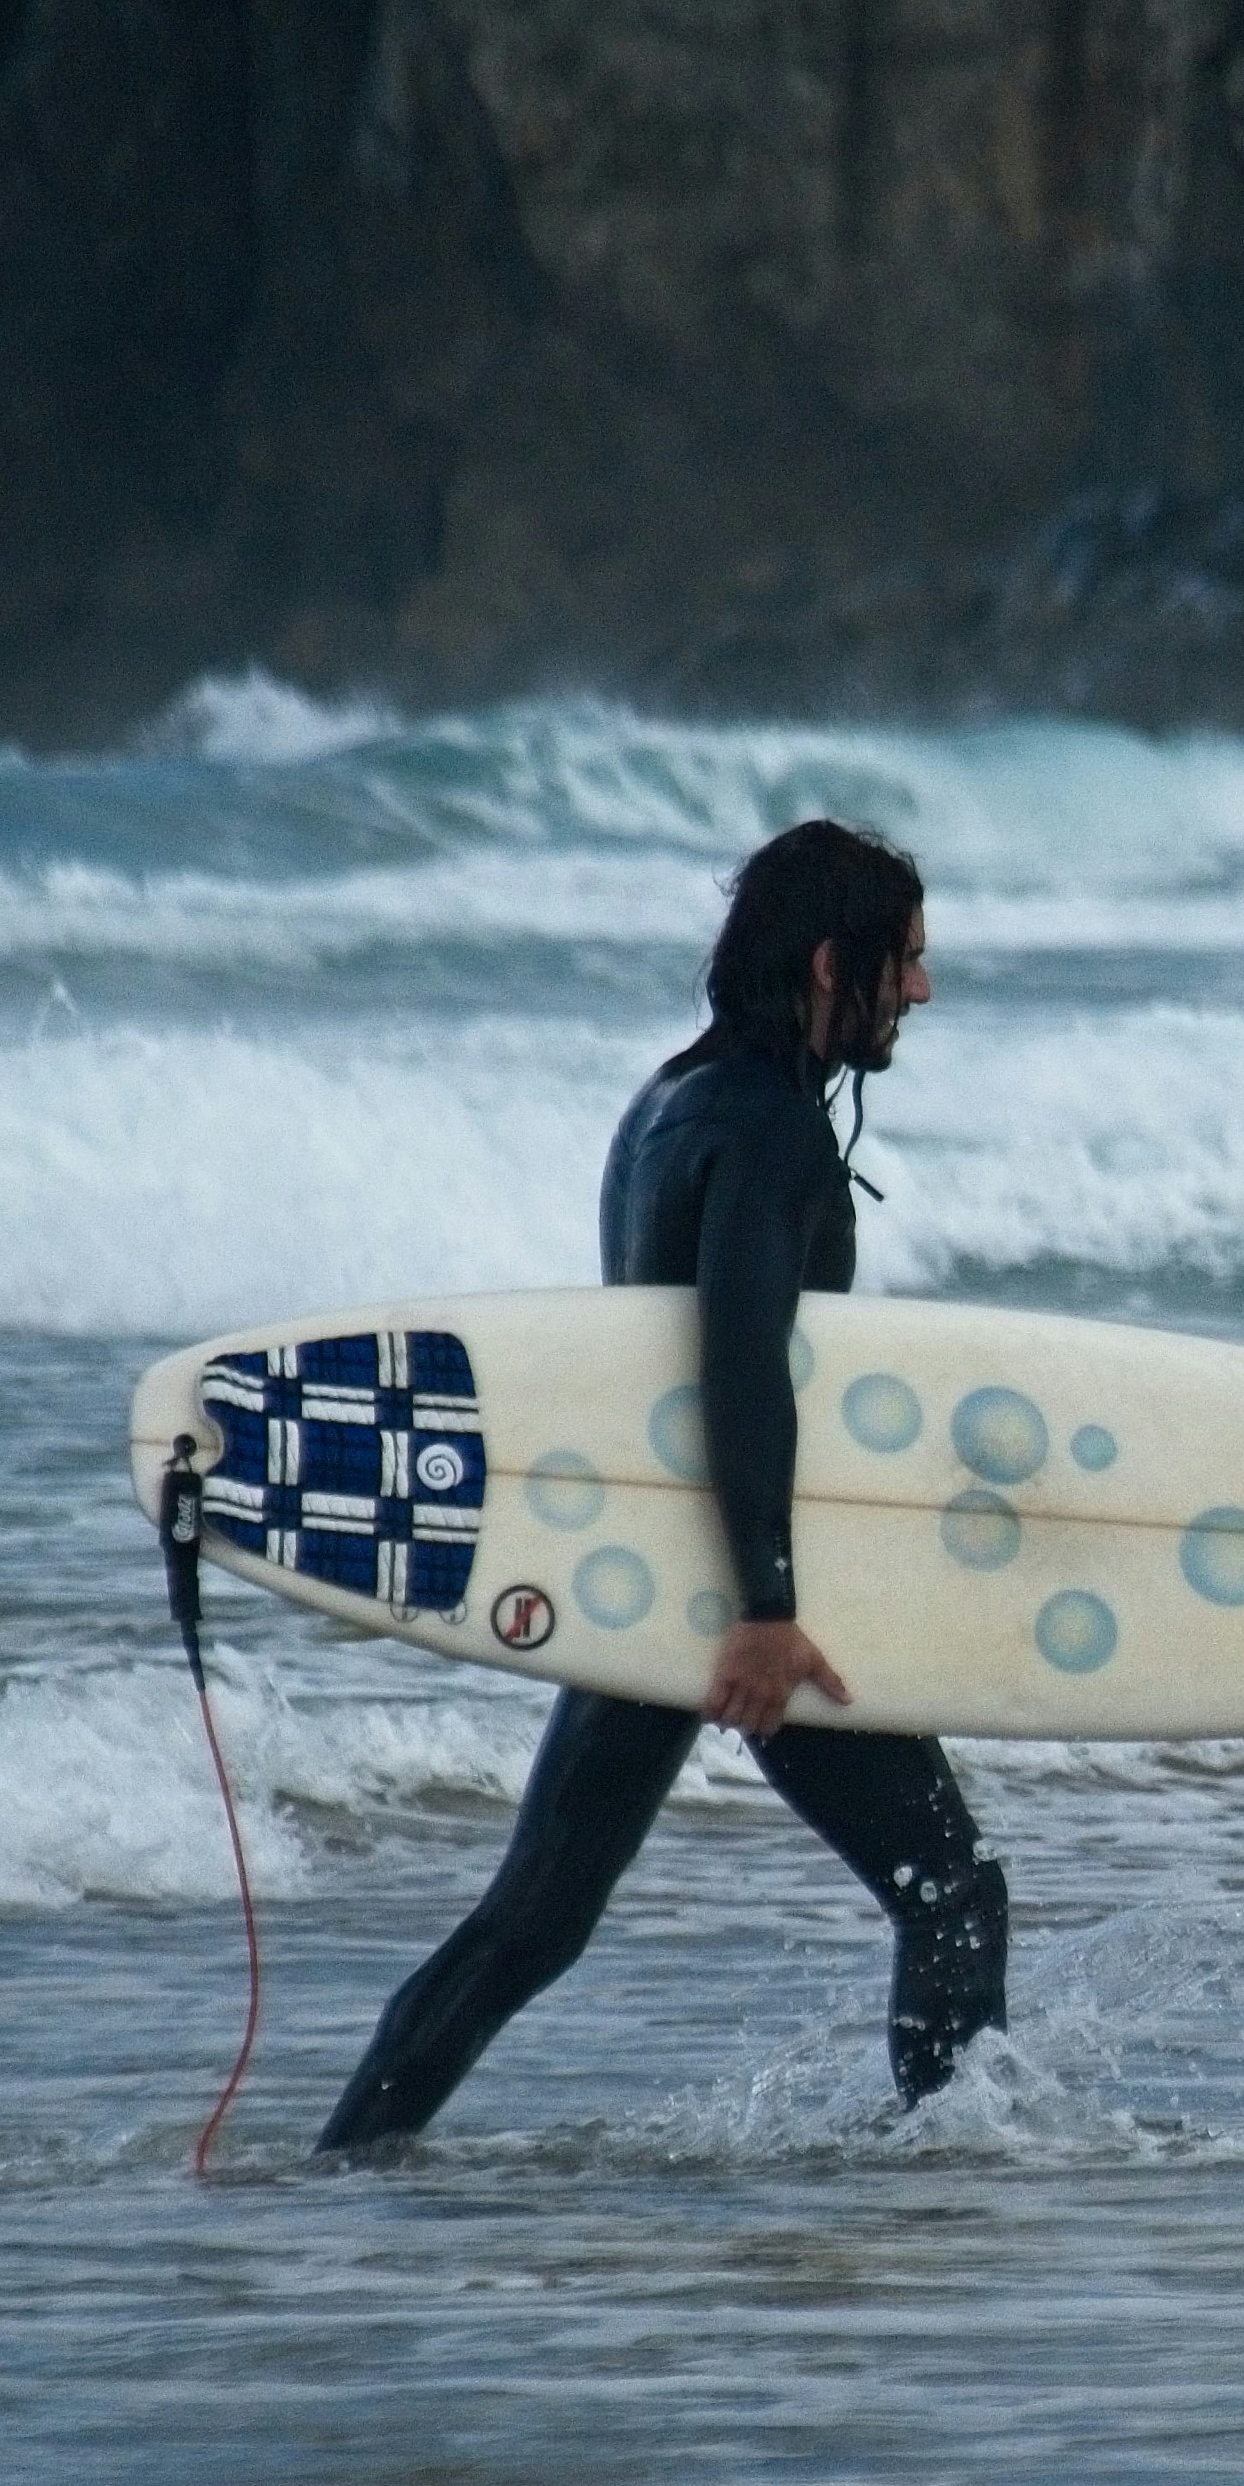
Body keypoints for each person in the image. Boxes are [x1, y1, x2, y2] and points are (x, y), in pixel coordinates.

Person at [317, 820, 1010, 2151]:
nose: (919, 991)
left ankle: (344, 2166)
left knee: (530, 1922)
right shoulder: (771, 1133)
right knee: (950, 1893)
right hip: (729, 1580)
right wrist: (763, 1606)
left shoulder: (667, 1105)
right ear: (830, 964)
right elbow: (735, 1367)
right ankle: (954, 2175)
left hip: (647, 1561)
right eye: (903, 962)